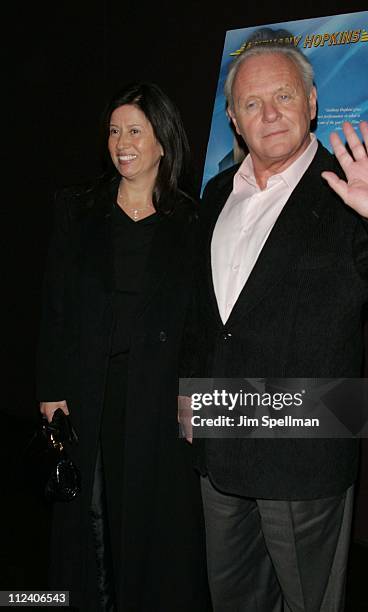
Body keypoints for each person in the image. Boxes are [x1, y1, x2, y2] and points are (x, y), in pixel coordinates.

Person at [191, 38, 368, 612]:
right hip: (219, 446)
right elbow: (210, 321)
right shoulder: (216, 192)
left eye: (282, 95)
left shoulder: (350, 188)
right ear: (233, 119)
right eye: (251, 103)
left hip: (304, 451)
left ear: (313, 100)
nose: (269, 113)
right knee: (232, 599)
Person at [37, 81, 211, 611]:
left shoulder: (192, 220)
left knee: (152, 517)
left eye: (135, 130)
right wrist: (52, 392)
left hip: (157, 397)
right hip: (91, 390)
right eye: (114, 131)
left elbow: (202, 320)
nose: (122, 142)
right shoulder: (78, 209)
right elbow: (55, 307)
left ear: (163, 141)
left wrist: (192, 395)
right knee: (88, 513)